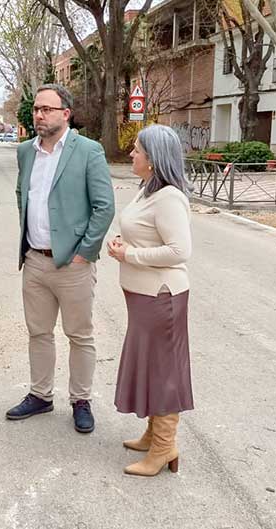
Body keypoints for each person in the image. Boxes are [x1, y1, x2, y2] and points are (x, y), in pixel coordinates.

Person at [6, 83, 114, 434]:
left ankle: (80, 400)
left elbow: (104, 206)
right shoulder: (26, 151)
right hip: (35, 261)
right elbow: (24, 192)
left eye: (47, 109)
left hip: (72, 265)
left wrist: (85, 253)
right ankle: (40, 395)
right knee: (38, 332)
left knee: (79, 335)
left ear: (65, 114)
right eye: (37, 109)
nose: (39, 114)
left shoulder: (88, 151)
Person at [107, 124, 194, 476]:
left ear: (154, 160)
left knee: (164, 373)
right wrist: (122, 247)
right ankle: (153, 433)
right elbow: (143, 236)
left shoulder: (170, 196)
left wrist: (129, 255)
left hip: (162, 298)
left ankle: (163, 448)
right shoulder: (147, 191)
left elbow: (179, 251)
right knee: (152, 367)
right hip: (143, 297)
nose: (131, 154)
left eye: (138, 150)